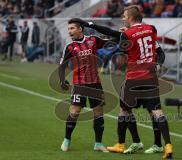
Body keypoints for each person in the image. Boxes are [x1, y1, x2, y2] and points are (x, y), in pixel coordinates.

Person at [78, 5, 173, 159]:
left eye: (124, 16)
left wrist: (123, 39)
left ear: (130, 18)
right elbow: (151, 47)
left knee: (124, 111)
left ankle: (121, 144)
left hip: (134, 78)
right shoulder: (151, 29)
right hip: (150, 77)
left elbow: (121, 58)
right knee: (157, 111)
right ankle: (167, 146)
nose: (123, 18)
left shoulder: (127, 34)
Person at [59, 18, 110, 153]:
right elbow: (62, 65)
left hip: (95, 83)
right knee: (74, 111)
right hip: (79, 84)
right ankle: (66, 140)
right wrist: (62, 80)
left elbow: (108, 43)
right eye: (68, 29)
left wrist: (120, 36)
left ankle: (98, 143)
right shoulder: (70, 47)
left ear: (80, 29)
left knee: (98, 113)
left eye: (72, 28)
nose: (70, 31)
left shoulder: (93, 40)